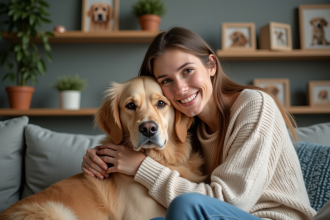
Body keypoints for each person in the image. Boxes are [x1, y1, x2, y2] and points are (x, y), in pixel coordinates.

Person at [81, 27, 316, 220]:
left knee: (186, 206)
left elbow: (232, 202)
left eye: (188, 71)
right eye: (166, 80)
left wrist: (142, 168)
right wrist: (100, 158)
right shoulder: (189, 124)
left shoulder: (255, 105)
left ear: (211, 65)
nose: (181, 88)